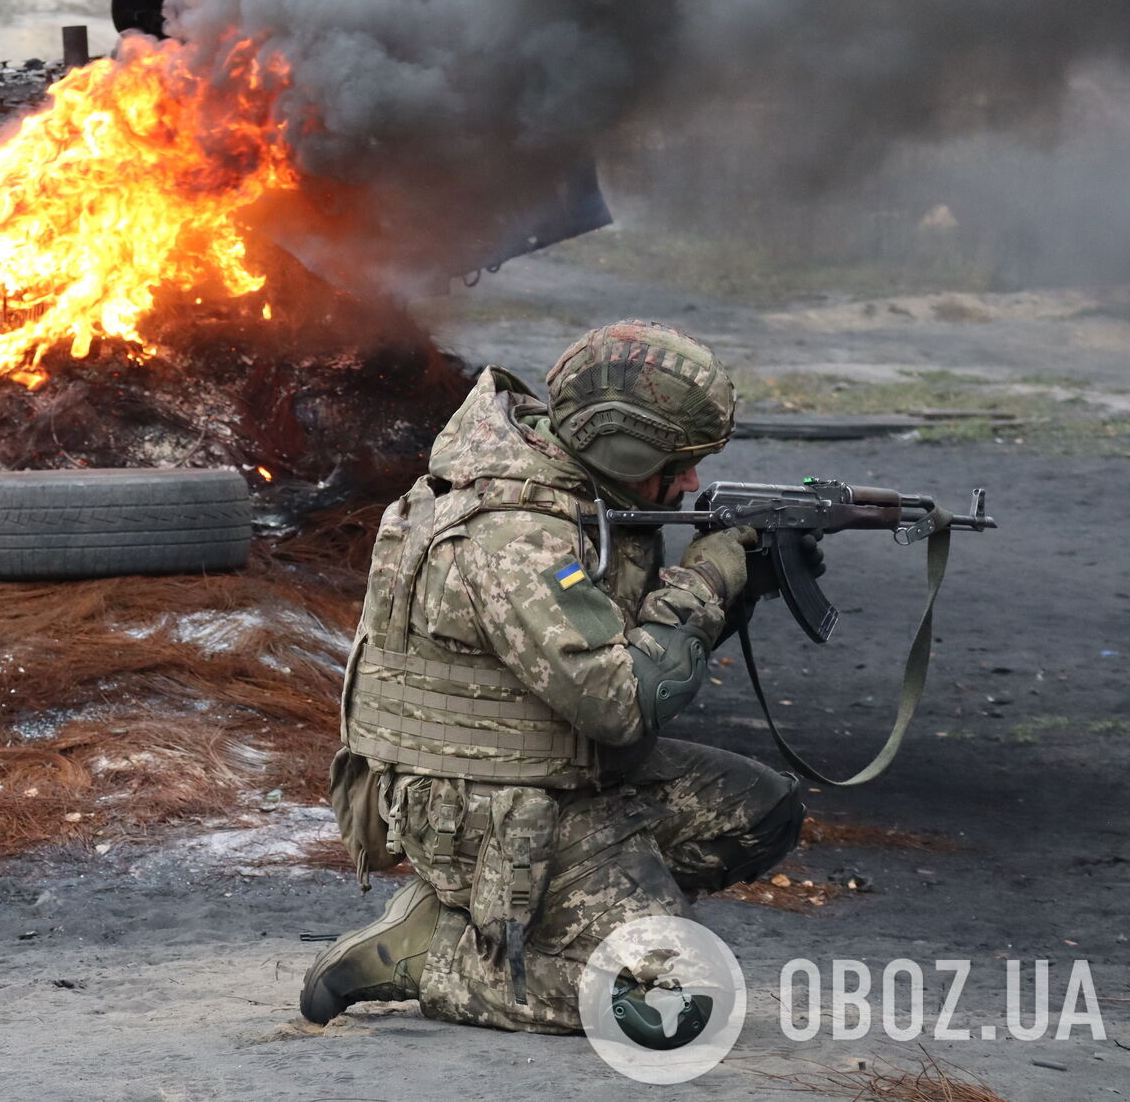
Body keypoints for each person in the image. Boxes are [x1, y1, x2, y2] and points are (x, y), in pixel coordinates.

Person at [301, 320, 813, 1038]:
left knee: (762, 812)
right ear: (622, 444)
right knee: (678, 1006)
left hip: (558, 776)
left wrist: (744, 584)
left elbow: (635, 652)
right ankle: (434, 953)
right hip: (483, 807)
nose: (691, 482)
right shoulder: (516, 533)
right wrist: (704, 581)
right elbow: (623, 703)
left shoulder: (576, 490)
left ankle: (564, 905)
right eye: (679, 462)